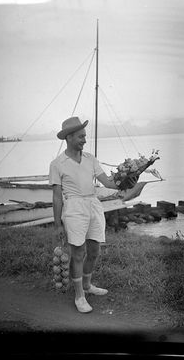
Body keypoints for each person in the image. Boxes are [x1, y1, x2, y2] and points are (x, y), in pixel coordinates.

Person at [49, 116, 138, 313]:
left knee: (95, 250)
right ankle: (79, 295)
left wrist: (128, 180)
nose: (84, 140)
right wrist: (57, 225)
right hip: (73, 208)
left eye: (85, 136)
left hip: (93, 205)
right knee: (78, 253)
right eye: (81, 137)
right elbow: (57, 197)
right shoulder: (58, 163)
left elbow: (108, 183)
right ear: (69, 137)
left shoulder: (90, 159)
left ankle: (88, 286)